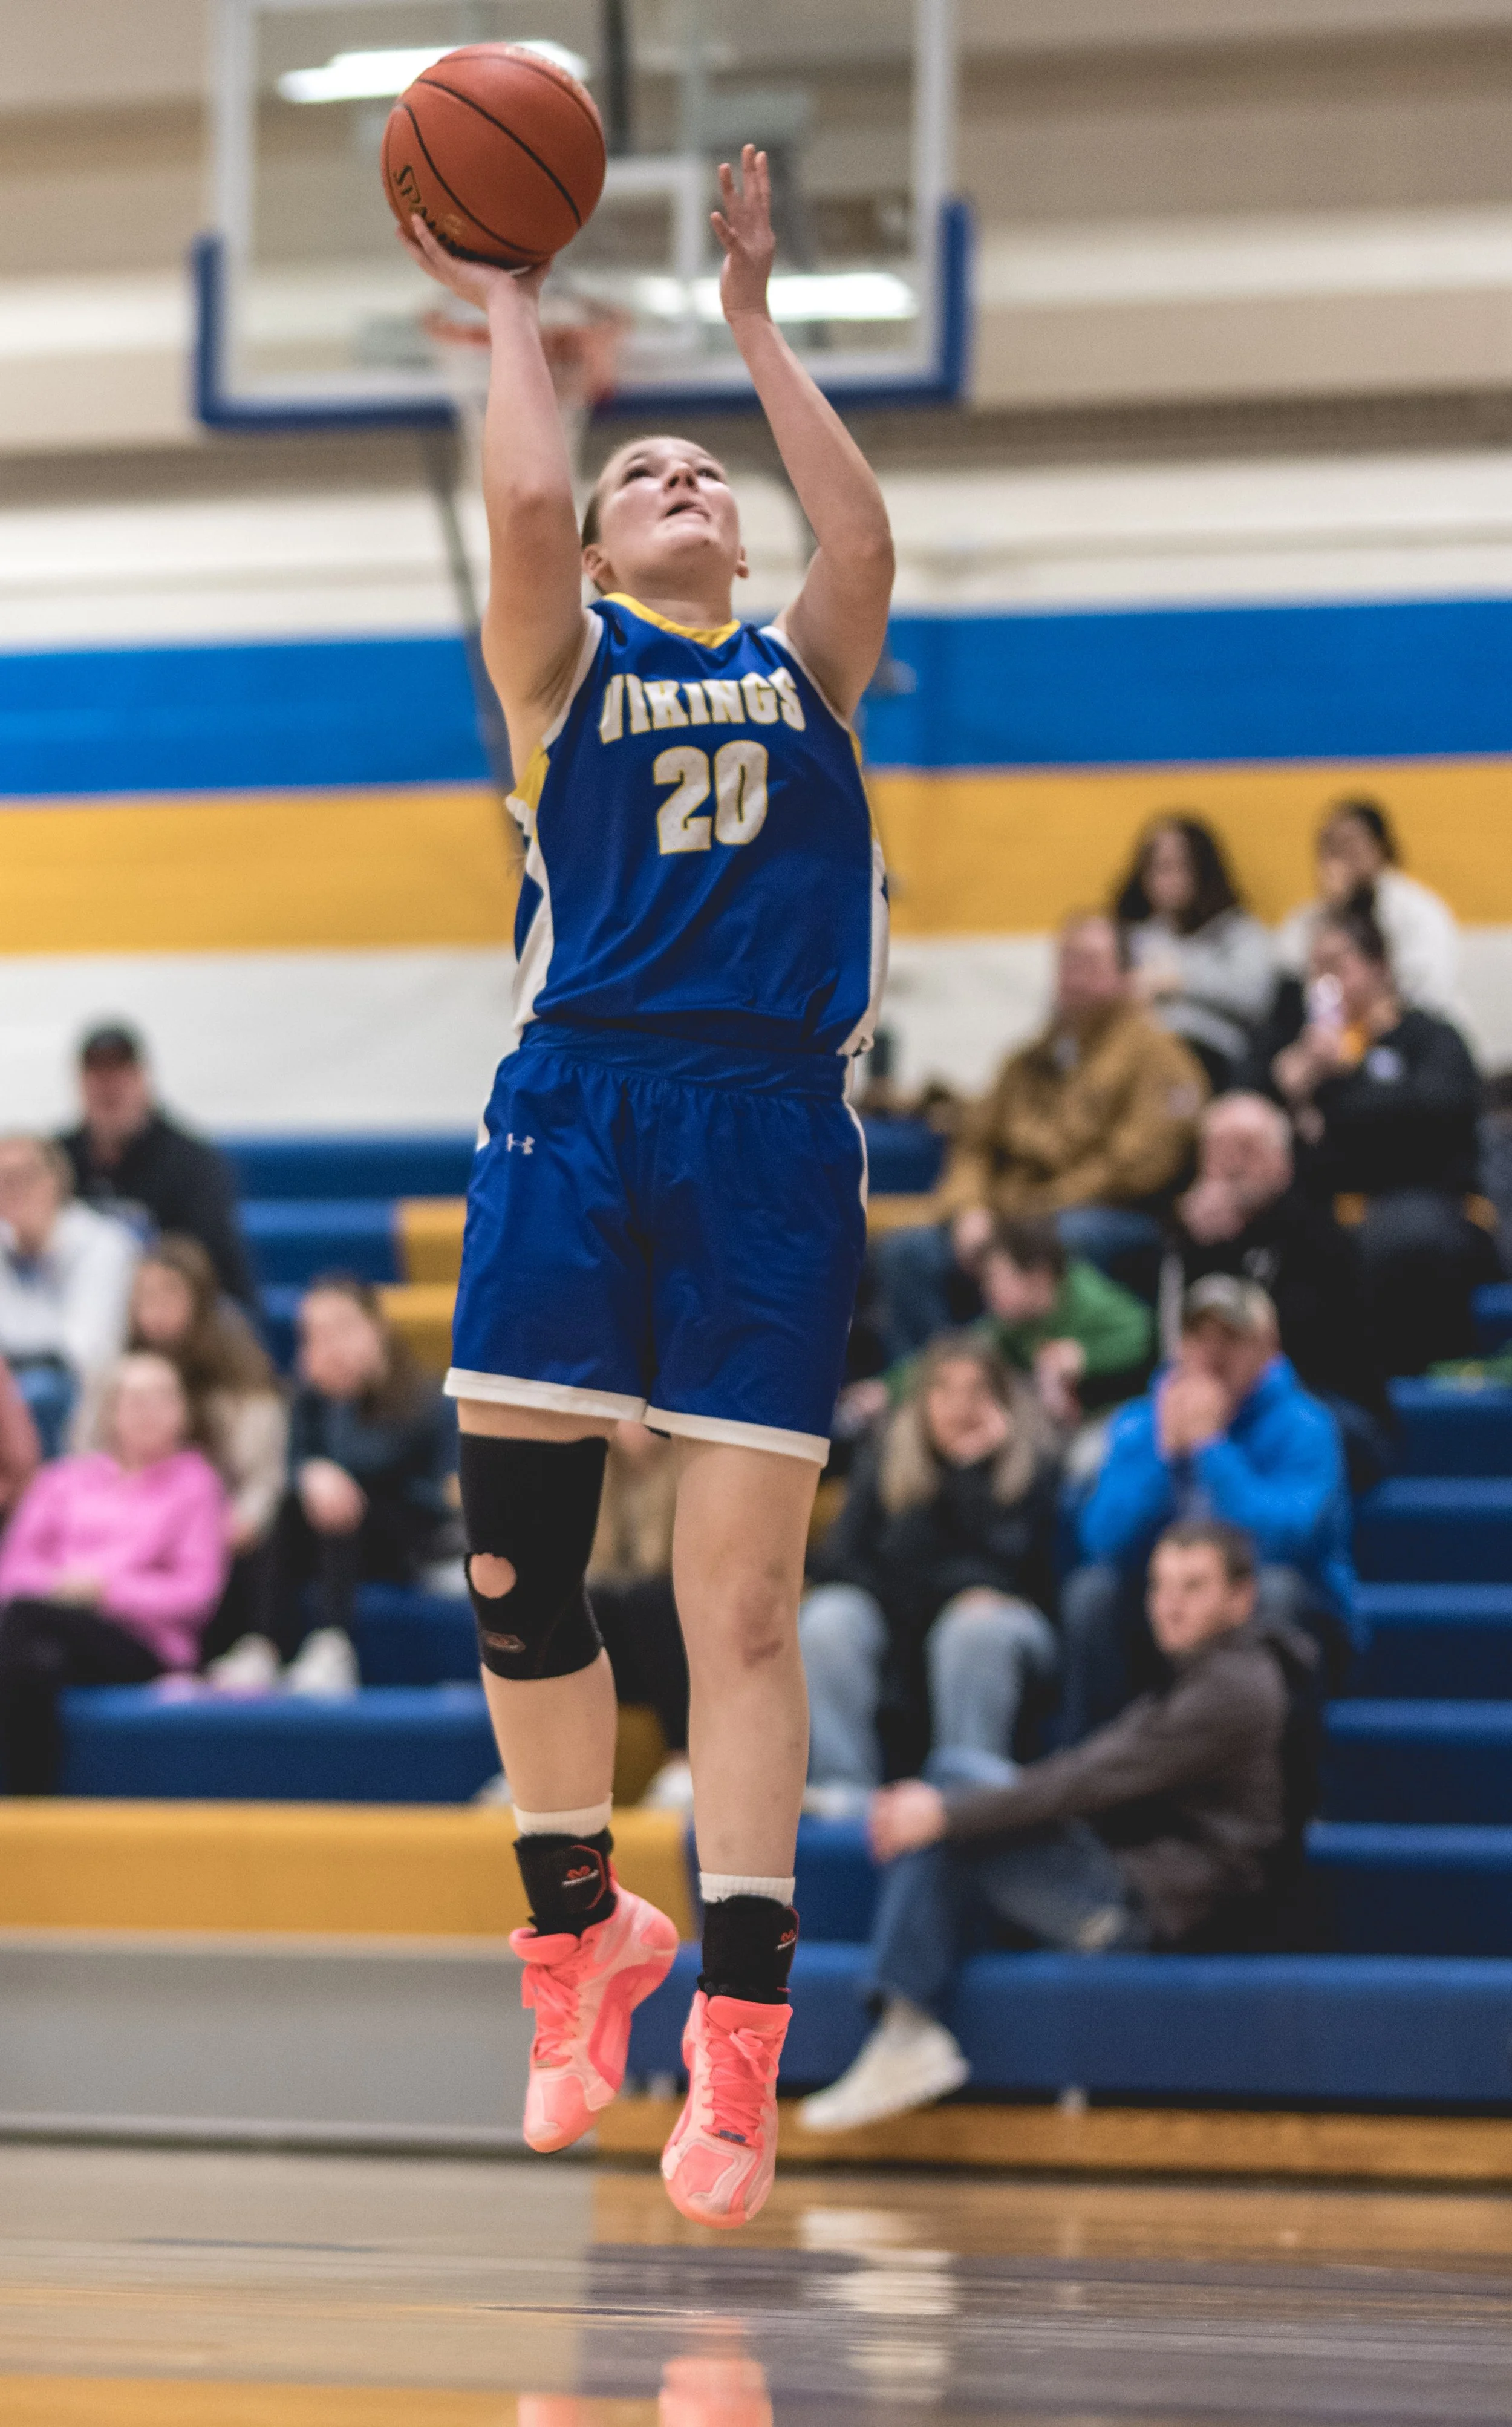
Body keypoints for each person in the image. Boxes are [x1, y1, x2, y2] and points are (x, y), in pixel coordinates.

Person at [398, 142, 894, 2227]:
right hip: (580, 1103)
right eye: (652, 473)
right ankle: (579, 1928)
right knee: (518, 1558)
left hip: (770, 1131)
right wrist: (513, 297)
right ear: (603, 542)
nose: (688, 484)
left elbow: (860, 532)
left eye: (713, 475)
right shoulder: (567, 668)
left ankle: (745, 2047)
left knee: (743, 1608)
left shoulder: (808, 668)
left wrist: (760, 332)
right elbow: (519, 501)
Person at [798, 1521, 1312, 2132]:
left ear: (1241, 1598)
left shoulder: (1231, 1689)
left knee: (950, 1799)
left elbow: (1086, 1780)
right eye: (1160, 1586)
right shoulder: (1212, 1670)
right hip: (1135, 1880)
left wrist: (943, 1813)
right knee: (955, 1777)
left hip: (1156, 1914)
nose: (1169, 1605)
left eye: (1193, 1587)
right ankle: (906, 2027)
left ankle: (905, 2027)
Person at [1062, 1277, 1352, 1743]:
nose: (1213, 1354)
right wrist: (1166, 1456)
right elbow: (1102, 1540)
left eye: (1232, 1339)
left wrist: (1212, 1450)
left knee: (1275, 1592)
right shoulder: (1140, 1424)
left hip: (1281, 1610)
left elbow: (1285, 1541)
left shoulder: (1306, 1427)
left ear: (1268, 1348)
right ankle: (1091, 1790)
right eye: (1200, 1338)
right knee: (1092, 1594)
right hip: (1165, 1610)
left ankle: (1283, 1795)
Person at [801, 1336, 1060, 1800]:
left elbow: (1022, 1574)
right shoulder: (884, 1463)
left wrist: (969, 1475)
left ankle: (968, 1795)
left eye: (977, 1390)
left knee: (973, 1628)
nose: (961, 1406)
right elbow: (836, 1563)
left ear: (1002, 1402)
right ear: (922, 1401)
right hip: (903, 1625)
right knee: (829, 1617)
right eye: (945, 1390)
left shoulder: (1035, 1469)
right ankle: (843, 1792)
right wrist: (940, 1586)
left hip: (1008, 1630)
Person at [1273, 902, 1492, 1376]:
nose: (1323, 984)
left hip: (1429, 1204)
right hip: (1333, 1206)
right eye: (1314, 971)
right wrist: (1293, 1095)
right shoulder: (1301, 1050)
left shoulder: (1430, 1036)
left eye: (1336, 966)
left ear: (1379, 967)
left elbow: (1435, 1114)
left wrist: (1344, 1084)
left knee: (1391, 1243)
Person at [931, 912, 1208, 1278]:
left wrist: (1032, 1215)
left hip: (1101, 1214)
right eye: (1066, 962)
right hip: (1011, 1213)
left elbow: (1132, 1166)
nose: (1073, 975)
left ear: (1126, 977)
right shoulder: (1027, 1059)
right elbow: (975, 1143)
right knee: (910, 1254)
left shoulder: (1161, 1060)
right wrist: (969, 1209)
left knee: (1072, 1239)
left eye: (1090, 963)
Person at [0, 1352, 227, 1794]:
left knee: (25, 1622)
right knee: (38, 1664)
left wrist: (104, 1590)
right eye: (137, 1400)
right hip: (52, 1632)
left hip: (142, 1644)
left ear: (184, 1412)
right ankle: (34, 1814)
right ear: (111, 1411)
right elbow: (12, 1572)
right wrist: (63, 1588)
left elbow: (196, 1594)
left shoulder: (196, 1485)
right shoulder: (61, 1480)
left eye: (163, 1399)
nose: (150, 1412)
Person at [73, 1238, 289, 1673]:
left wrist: (240, 1516)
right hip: (136, 1524)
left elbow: (264, 1475)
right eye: (144, 1296)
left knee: (269, 1527)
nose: (155, 1308)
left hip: (215, 1525)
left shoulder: (241, 1379)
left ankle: (255, 1650)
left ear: (200, 1300)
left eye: (168, 1293)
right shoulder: (112, 1373)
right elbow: (84, 1459)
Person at [250, 1276, 458, 1694]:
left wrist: (339, 1415)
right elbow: (293, 1468)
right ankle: (264, 1648)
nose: (329, 1346)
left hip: (414, 1536)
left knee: (339, 1498)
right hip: (338, 1541)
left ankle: (334, 1645)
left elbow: (398, 1474)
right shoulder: (309, 1400)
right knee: (287, 1510)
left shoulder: (426, 1395)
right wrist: (312, 1474)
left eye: (341, 1329)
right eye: (315, 1335)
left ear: (376, 1328)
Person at [1164, 1094, 1381, 1428]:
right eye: (1218, 1149)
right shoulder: (1191, 1237)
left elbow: (1296, 1344)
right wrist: (1198, 1248)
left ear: (1283, 1162)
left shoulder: (1319, 1233)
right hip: (1228, 1401)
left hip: (1326, 1399)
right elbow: (1180, 1340)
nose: (1232, 1164)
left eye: (1247, 1148)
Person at [843, 1214, 1152, 1438]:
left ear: (1038, 1277)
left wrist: (1084, 1356)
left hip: (1118, 1423)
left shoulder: (1090, 1300)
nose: (987, 1292)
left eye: (997, 1280)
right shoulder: (1007, 1326)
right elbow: (955, 1355)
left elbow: (1143, 1334)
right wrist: (887, 1390)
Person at [57, 1023, 255, 1308]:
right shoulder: (57, 1160)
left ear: (143, 1079)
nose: (109, 1088)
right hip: (77, 1309)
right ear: (81, 1084)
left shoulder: (193, 1165)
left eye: (119, 1075)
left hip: (166, 1311)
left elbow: (208, 1264)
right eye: (98, 1076)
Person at [1113, 815, 1275, 1089]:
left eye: (1181, 866)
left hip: (1209, 1055)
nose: (1170, 879)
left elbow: (1255, 997)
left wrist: (1179, 980)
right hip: (1135, 1052)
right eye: (1159, 868)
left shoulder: (1237, 931)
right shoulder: (1127, 935)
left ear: (1204, 870)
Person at [0, 1134, 138, 1455]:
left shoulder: (104, 1243)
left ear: (57, 1180)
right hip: (10, 1388)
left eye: (23, 1177)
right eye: (3, 1181)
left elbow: (83, 1349)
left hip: (84, 1399)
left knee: (43, 1390)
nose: (12, 1190)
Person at [1276, 798, 1464, 1025]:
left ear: (1380, 848)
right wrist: (1335, 915)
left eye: (1350, 844)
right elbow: (1289, 986)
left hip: (1412, 1034)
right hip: (1331, 1040)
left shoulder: (1418, 911)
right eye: (1329, 846)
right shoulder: (1308, 919)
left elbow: (1429, 992)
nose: (1338, 857)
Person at [586, 1422, 690, 1805]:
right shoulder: (592, 1476)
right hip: (622, 1655)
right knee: (578, 1603)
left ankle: (686, 1758)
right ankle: (546, 1767)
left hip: (683, 1647)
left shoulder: (693, 1474)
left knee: (648, 1600)